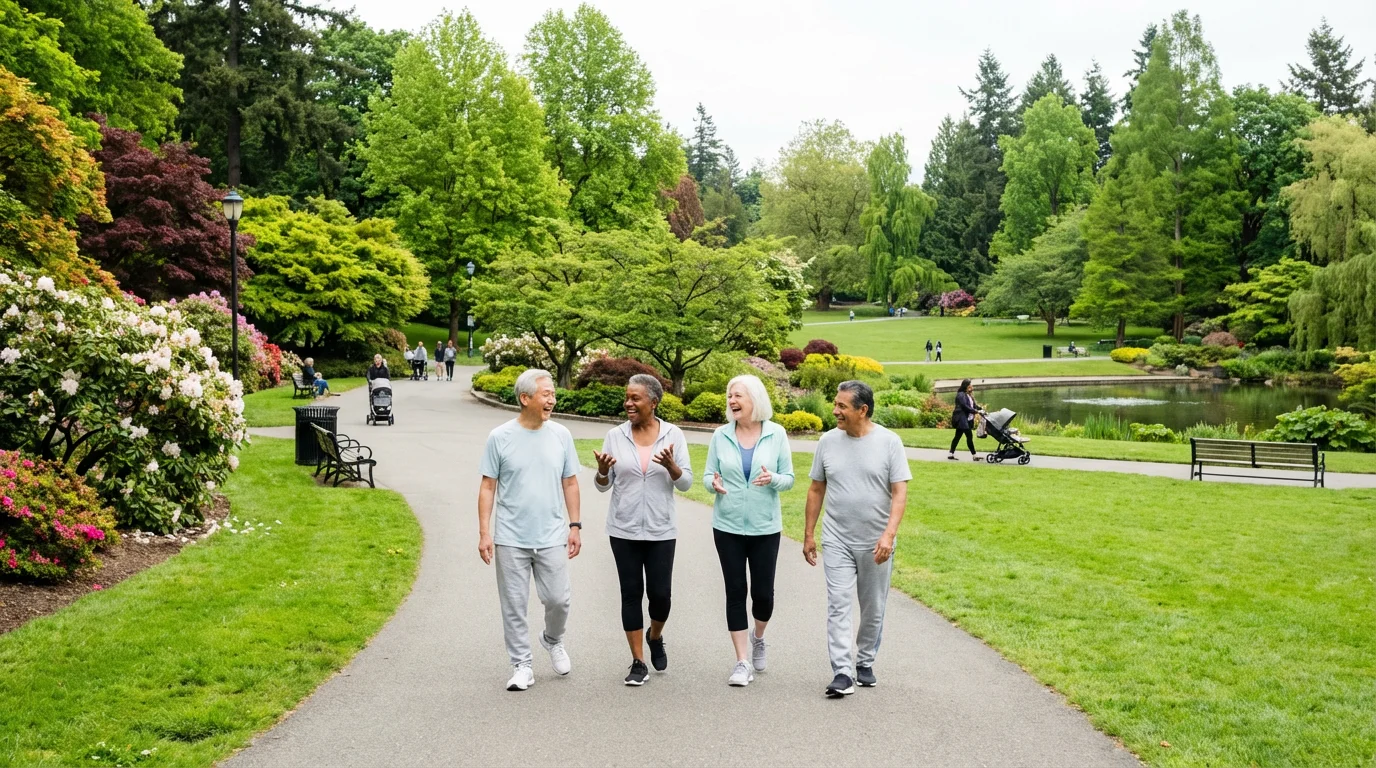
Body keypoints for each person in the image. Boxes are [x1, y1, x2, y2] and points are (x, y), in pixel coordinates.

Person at [803, 380, 911, 698]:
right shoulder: (827, 441)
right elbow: (816, 488)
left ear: (862, 410)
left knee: (873, 606)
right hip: (836, 538)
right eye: (835, 404)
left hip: (876, 541)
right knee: (838, 603)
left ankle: (864, 661)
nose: (835, 411)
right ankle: (842, 671)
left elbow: (900, 491)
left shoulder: (890, 442)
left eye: (842, 406)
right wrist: (809, 535)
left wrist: (889, 535)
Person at [478, 369, 582, 692]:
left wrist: (575, 525)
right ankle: (521, 664)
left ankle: (553, 639)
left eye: (552, 394)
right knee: (514, 604)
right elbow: (487, 487)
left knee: (558, 599)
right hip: (511, 536)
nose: (552, 399)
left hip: (551, 534)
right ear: (525, 399)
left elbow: (570, 482)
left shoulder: (561, 435)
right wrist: (485, 532)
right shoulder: (499, 437)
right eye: (546, 394)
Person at [593, 374, 693, 686]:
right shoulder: (616, 435)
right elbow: (602, 486)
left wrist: (672, 467)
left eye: (635, 398)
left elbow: (686, 482)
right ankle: (638, 662)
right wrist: (602, 472)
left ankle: (655, 635)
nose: (628, 403)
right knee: (631, 593)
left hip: (661, 529)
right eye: (627, 397)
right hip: (623, 528)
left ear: (653, 402)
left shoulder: (673, 435)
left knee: (661, 596)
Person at [703, 374, 794, 687]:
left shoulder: (776, 434)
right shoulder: (720, 435)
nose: (732, 401)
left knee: (763, 596)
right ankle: (741, 662)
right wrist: (712, 484)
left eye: (738, 395)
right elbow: (707, 475)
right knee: (735, 591)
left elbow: (789, 478)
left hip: (765, 526)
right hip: (726, 525)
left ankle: (759, 636)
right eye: (730, 395)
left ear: (755, 398)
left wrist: (774, 480)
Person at [948, 379, 981, 461]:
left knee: (957, 436)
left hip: (966, 419)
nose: (971, 386)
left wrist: (980, 409)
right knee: (969, 436)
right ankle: (974, 455)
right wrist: (975, 411)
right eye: (970, 385)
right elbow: (964, 406)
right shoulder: (961, 395)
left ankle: (951, 453)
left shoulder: (968, 395)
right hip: (961, 419)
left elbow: (974, 405)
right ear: (966, 386)